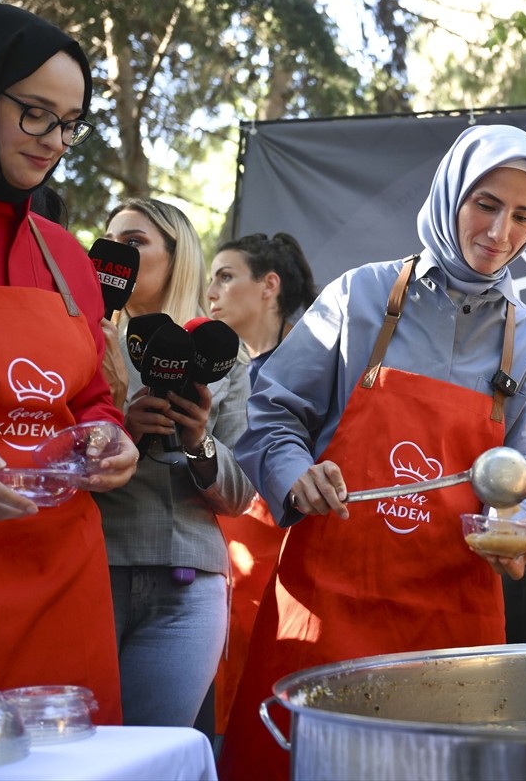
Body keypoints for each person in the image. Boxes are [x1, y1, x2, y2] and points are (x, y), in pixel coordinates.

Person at [219, 124, 526, 781]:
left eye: (524, 215)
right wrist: (297, 476)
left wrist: (521, 527)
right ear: (451, 193)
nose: (500, 231)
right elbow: (271, 411)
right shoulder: (362, 296)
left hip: (451, 629)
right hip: (329, 608)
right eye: (485, 204)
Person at [0, 2, 138, 724]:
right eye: (35, 113)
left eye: (70, 122)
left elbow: (87, 396)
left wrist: (109, 435)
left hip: (62, 572)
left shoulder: (66, 254)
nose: (54, 140)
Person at [95, 197, 254, 727]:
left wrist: (197, 439)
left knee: (154, 756)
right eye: (110, 240)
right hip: (91, 573)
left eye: (134, 242)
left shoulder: (225, 354)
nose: (115, 253)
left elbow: (239, 496)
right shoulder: (82, 340)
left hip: (189, 586)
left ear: (176, 253)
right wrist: (124, 431)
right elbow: (50, 467)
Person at [205, 231, 317, 738]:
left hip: (292, 547)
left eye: (226, 277)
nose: (213, 291)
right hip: (218, 552)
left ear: (269, 285)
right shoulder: (207, 364)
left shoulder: (319, 364)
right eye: (211, 278)